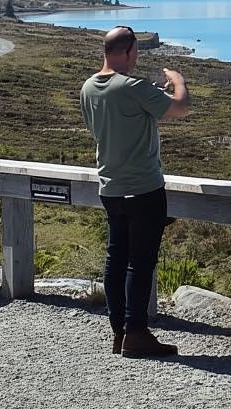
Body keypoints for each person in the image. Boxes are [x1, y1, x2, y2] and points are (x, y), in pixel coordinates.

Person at [81, 25, 190, 358]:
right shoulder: (133, 87)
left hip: (110, 187)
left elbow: (110, 118)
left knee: (116, 258)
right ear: (129, 52)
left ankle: (119, 332)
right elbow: (180, 107)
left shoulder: (88, 87)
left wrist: (150, 96)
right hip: (143, 188)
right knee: (140, 263)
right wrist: (178, 82)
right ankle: (137, 333)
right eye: (137, 52)